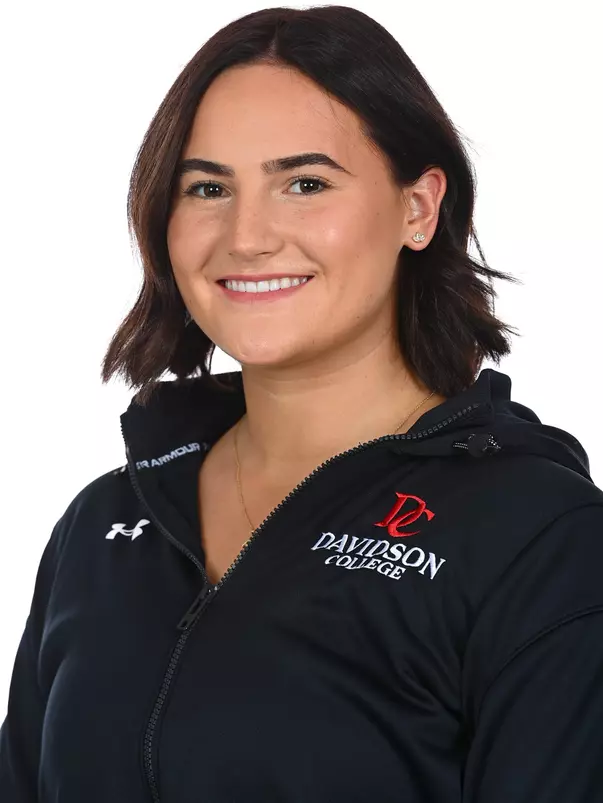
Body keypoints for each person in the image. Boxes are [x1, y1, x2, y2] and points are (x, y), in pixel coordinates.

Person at [2, 5, 603, 802]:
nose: (246, 236)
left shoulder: (541, 539)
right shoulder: (102, 527)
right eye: (208, 187)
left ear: (417, 208)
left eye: (305, 183)